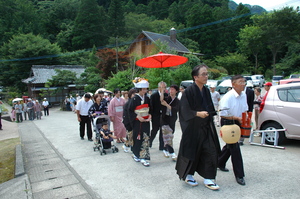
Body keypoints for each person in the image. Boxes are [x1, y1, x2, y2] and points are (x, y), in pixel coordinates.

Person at [175, 65, 221, 190]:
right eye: (203, 74)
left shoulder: (206, 90)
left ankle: (208, 177)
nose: (206, 76)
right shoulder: (189, 91)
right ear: (195, 77)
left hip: (205, 127)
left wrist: (211, 112)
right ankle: (189, 175)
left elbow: (209, 106)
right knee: (192, 152)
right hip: (192, 129)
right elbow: (183, 110)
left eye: (207, 74)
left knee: (210, 151)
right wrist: (196, 114)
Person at [218, 74, 248, 186]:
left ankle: (219, 162)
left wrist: (245, 121)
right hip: (228, 122)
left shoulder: (244, 95)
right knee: (235, 147)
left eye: (244, 82)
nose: (243, 84)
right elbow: (223, 114)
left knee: (230, 146)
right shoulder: (228, 97)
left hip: (238, 121)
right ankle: (239, 175)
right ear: (233, 84)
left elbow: (245, 109)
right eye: (240, 82)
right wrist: (236, 118)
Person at [128, 77, 151, 167]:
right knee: (138, 138)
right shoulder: (134, 99)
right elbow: (130, 110)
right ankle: (136, 154)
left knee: (145, 138)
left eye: (146, 89)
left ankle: (144, 157)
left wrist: (150, 115)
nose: (145, 90)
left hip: (146, 121)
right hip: (137, 121)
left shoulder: (147, 98)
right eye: (143, 89)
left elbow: (151, 109)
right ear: (139, 89)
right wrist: (137, 116)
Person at [160, 84, 179, 161]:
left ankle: (165, 149)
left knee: (170, 135)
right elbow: (161, 100)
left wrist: (166, 105)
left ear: (176, 91)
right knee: (167, 135)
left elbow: (175, 109)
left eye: (173, 89)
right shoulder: (167, 98)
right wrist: (162, 90)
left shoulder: (178, 101)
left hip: (172, 119)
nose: (171, 91)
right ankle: (172, 153)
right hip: (165, 119)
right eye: (170, 89)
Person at [149, 81, 168, 150]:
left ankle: (162, 146)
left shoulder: (166, 95)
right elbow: (151, 106)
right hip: (156, 115)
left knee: (162, 131)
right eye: (162, 87)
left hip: (163, 115)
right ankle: (150, 141)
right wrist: (151, 115)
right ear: (159, 88)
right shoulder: (154, 96)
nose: (163, 89)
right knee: (154, 130)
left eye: (164, 87)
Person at [122, 88, 136, 153]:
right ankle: (128, 147)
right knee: (131, 136)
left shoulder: (135, 102)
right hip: (128, 122)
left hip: (134, 121)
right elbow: (126, 115)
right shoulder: (128, 103)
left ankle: (126, 145)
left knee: (132, 136)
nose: (135, 95)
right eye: (133, 94)